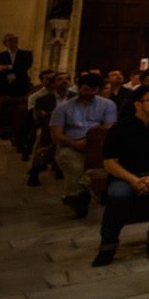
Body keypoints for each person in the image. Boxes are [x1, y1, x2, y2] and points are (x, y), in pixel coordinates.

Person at [93, 83, 149, 265]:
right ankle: (108, 245)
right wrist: (133, 180)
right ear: (138, 104)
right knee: (118, 194)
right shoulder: (120, 128)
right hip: (125, 176)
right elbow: (109, 162)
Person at [49, 71, 118, 217]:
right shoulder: (63, 108)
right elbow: (57, 135)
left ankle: (76, 196)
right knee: (76, 166)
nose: (90, 93)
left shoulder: (108, 105)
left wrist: (92, 142)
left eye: (94, 90)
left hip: (99, 147)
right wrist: (76, 144)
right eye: (86, 89)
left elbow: (109, 128)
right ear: (78, 88)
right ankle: (83, 194)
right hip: (70, 146)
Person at [0, 32, 33, 148]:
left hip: (19, 87)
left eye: (15, 40)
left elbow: (24, 66)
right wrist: (5, 68)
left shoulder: (26, 54)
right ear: (5, 43)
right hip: (3, 87)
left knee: (19, 112)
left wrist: (6, 67)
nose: (13, 42)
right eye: (10, 40)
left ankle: (19, 139)